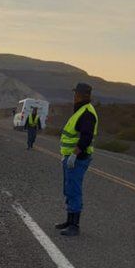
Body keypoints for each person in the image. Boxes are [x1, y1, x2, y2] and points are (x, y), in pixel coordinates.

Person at [57, 83, 98, 236]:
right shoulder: (81, 110)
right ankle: (69, 220)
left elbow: (86, 136)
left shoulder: (87, 112)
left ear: (82, 95)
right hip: (70, 157)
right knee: (68, 189)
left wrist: (75, 154)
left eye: (76, 94)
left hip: (78, 158)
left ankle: (74, 225)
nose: (74, 96)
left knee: (74, 190)